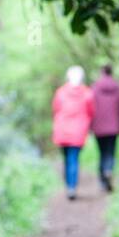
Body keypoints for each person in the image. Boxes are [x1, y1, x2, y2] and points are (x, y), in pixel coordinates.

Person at [51, 65, 94, 200]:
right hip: (78, 131)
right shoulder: (87, 93)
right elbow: (91, 111)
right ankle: (71, 187)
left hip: (62, 130)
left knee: (67, 159)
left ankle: (69, 184)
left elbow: (55, 109)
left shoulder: (60, 92)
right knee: (73, 159)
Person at [89, 65, 119, 192]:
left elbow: (90, 107)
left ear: (102, 72)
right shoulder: (118, 87)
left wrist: (90, 125)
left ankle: (102, 181)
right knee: (110, 152)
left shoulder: (95, 87)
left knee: (102, 153)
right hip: (114, 126)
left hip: (99, 126)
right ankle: (109, 170)